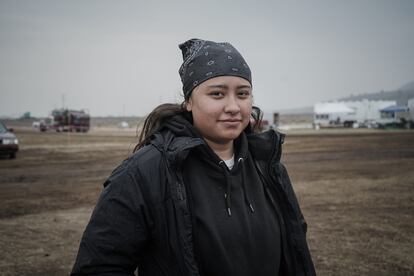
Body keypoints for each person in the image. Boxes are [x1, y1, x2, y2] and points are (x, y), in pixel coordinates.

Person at [71, 38, 316, 276]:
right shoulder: (144, 173)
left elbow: (296, 252)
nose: (233, 107)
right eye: (217, 94)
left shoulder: (267, 166)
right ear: (188, 101)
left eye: (242, 94)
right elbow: (99, 268)